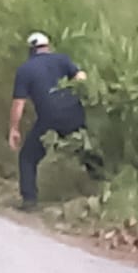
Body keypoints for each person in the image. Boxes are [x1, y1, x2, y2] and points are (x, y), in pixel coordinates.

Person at [9, 31, 101, 210]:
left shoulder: (25, 70)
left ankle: (30, 200)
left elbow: (18, 104)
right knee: (85, 151)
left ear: (30, 50)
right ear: (47, 46)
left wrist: (14, 129)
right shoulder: (63, 59)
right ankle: (102, 187)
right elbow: (82, 78)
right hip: (74, 114)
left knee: (27, 157)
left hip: (49, 119)